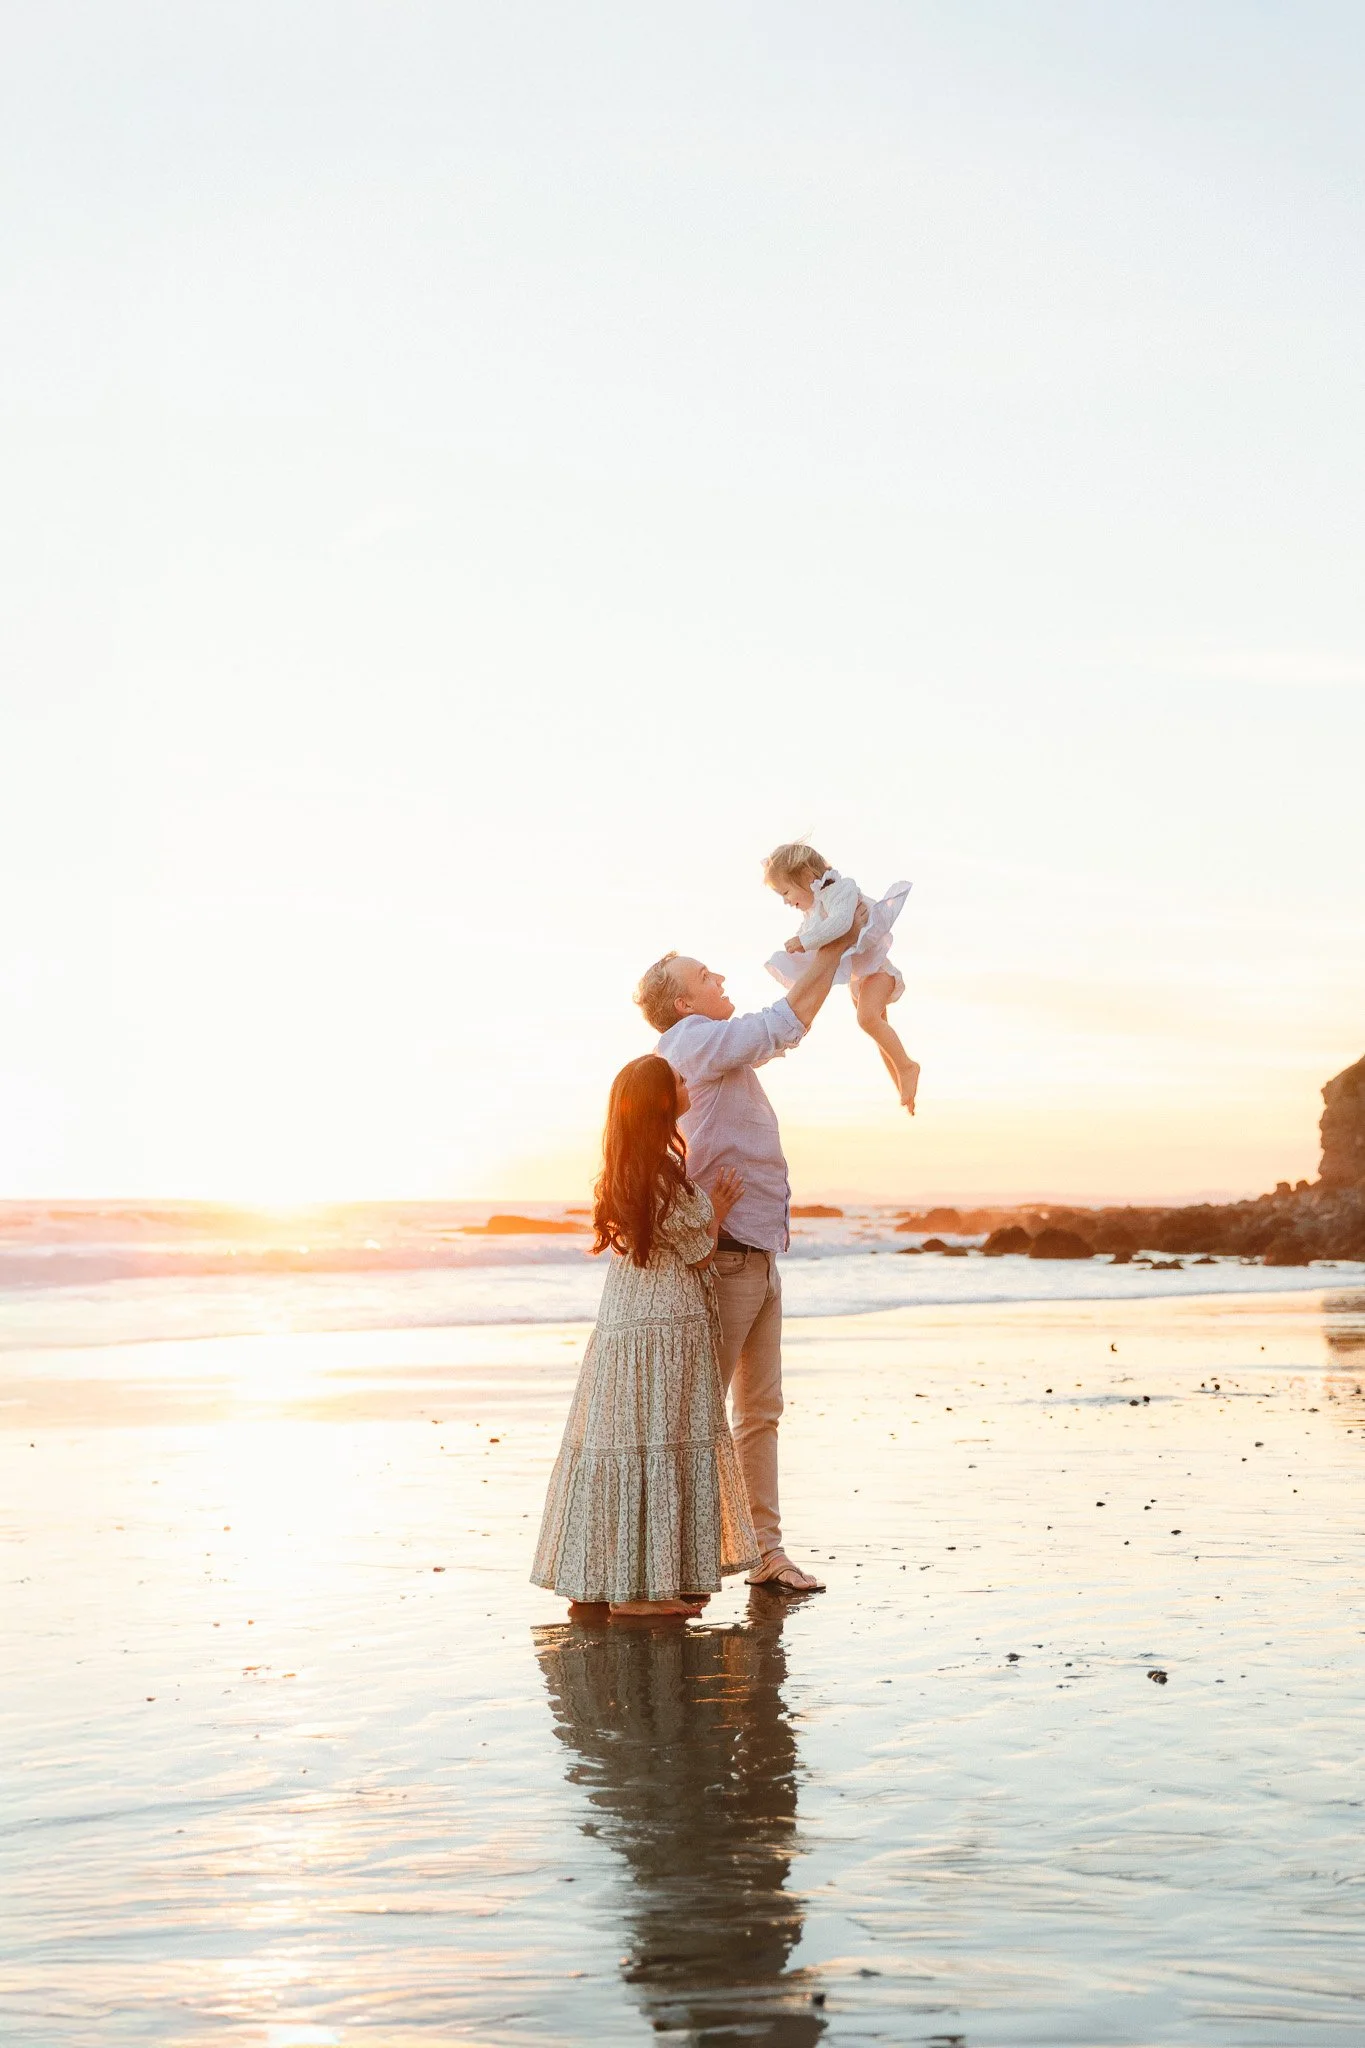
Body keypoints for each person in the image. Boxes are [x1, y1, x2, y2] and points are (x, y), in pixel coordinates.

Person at [633, 901, 868, 1595]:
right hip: (723, 1251)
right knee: (703, 1413)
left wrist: (832, 952)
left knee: (759, 1412)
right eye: (704, 975)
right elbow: (784, 1022)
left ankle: (766, 1552)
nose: (716, 977)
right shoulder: (692, 1039)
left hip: (757, 1250)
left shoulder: (711, 1041)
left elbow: (783, 1023)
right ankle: (677, 1558)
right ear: (683, 1001)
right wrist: (837, 945)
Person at [531, 1055, 758, 1620]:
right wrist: (720, 1209)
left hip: (622, 1322)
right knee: (661, 1438)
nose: (687, 1085)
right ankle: (646, 1593)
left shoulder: (625, 1171)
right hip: (667, 1324)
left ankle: (599, 1582)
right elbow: (698, 1251)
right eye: (678, 1081)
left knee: (619, 1438)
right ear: (660, 1102)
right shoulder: (662, 1174)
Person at [761, 840, 918, 1113]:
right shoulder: (814, 912)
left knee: (867, 1019)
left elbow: (842, 923)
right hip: (861, 979)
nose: (786, 901)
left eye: (786, 892)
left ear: (807, 877)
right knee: (878, 1029)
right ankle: (902, 1084)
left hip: (878, 972)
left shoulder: (840, 890)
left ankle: (907, 1066)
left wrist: (804, 940)